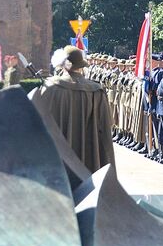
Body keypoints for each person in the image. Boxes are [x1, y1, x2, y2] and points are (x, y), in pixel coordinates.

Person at [30, 45, 114, 174]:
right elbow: (106, 126)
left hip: (59, 158)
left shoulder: (50, 87)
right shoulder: (96, 90)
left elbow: (37, 122)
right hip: (89, 157)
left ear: (62, 65)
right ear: (81, 66)